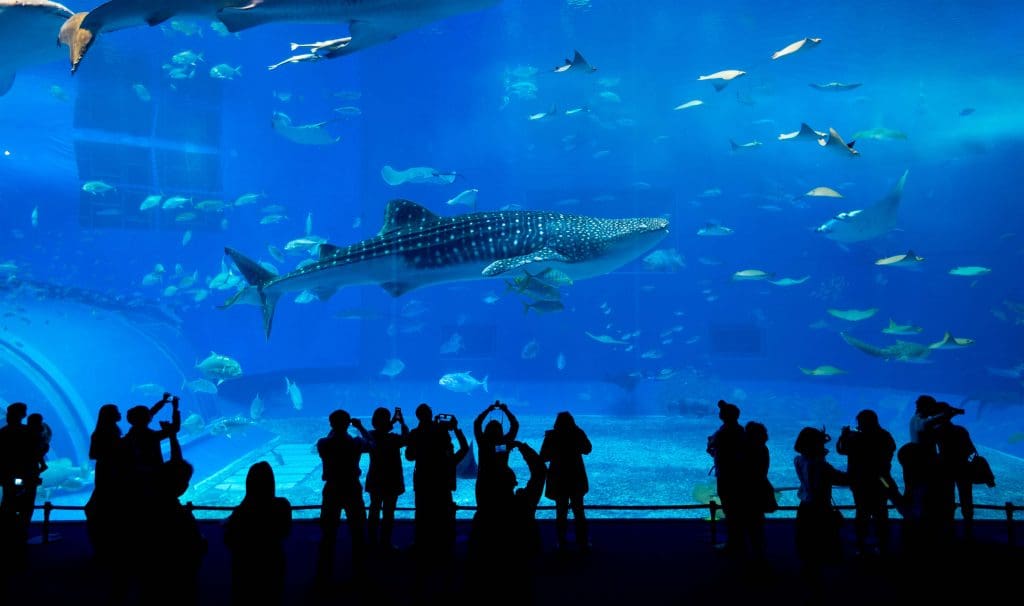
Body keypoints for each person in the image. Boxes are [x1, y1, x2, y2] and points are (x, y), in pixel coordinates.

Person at [405, 403, 469, 561]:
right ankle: (444, 547)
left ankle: (421, 545)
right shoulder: (441, 434)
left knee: (422, 513)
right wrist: (455, 428)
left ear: (418, 416)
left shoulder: (415, 433)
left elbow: (409, 456)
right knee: (443, 514)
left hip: (423, 480)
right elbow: (464, 448)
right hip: (441, 481)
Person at [224, 461, 293, 606]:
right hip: (273, 559)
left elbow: (229, 540)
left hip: (245, 565)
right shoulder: (283, 505)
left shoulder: (240, 511)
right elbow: (286, 532)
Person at [316, 409, 372, 579]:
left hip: (332, 488)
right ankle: (360, 569)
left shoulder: (323, 443)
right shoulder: (355, 443)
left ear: (330, 424)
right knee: (357, 528)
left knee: (328, 530)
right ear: (348, 424)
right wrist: (360, 427)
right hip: (351, 488)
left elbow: (331, 437)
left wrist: (338, 427)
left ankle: (324, 571)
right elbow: (371, 443)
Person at [836, 409, 898, 556]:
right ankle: (883, 545)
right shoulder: (885, 435)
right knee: (881, 511)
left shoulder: (855, 438)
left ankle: (861, 545)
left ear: (861, 422)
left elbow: (841, 450)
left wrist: (843, 436)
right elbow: (892, 449)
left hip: (859, 481)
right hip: (880, 479)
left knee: (862, 512)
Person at [793, 427, 848, 571]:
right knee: (822, 544)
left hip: (804, 507)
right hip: (820, 509)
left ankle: (809, 572)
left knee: (807, 544)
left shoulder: (799, 459)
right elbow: (842, 479)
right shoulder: (819, 465)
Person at [540, 410, 592, 552]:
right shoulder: (576, 434)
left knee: (561, 512)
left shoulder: (551, 436)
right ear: (572, 422)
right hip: (575, 477)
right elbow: (588, 449)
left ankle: (561, 542)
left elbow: (543, 456)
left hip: (558, 478)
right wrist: (577, 431)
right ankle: (583, 542)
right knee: (579, 512)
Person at [705, 400, 746, 555]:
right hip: (739, 475)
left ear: (722, 416)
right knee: (738, 509)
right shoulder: (740, 430)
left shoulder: (723, 433)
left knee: (730, 509)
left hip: (727, 475)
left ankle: (734, 543)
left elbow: (718, 452)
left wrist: (711, 447)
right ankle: (739, 540)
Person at [85, 403, 126, 560]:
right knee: (102, 506)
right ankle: (104, 546)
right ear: (110, 415)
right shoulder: (101, 434)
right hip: (108, 472)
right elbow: (93, 454)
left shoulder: (111, 432)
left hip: (110, 471)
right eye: (116, 411)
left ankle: (106, 546)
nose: (119, 413)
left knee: (106, 507)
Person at [365, 406, 408, 551]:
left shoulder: (370, 435)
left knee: (374, 510)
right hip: (392, 481)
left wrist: (392, 422)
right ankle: (385, 542)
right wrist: (400, 422)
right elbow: (406, 439)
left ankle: (372, 542)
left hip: (376, 480)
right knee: (388, 513)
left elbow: (379, 432)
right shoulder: (394, 439)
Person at [934, 403, 980, 541]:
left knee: (947, 501)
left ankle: (949, 530)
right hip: (963, 469)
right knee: (966, 500)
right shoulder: (960, 430)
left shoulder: (937, 431)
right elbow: (972, 451)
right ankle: (968, 529)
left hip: (945, 469)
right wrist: (968, 463)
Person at [0, 402, 38, 551]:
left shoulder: (3, 432)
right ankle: (18, 533)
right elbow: (35, 452)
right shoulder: (28, 432)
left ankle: (9, 533)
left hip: (12, 476)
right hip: (24, 476)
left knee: (9, 502)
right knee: (24, 505)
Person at [473, 401, 520, 513]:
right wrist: (505, 410)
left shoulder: (483, 442)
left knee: (484, 512)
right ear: (501, 431)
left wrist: (488, 410)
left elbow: (477, 423)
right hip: (503, 482)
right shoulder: (505, 442)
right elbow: (515, 425)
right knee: (503, 511)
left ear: (486, 431)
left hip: (484, 481)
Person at [743, 420, 771, 560]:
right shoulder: (763, 448)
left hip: (749, 491)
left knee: (751, 522)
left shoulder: (748, 450)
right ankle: (759, 553)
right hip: (759, 488)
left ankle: (756, 555)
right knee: (757, 522)